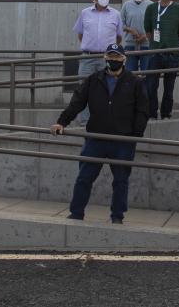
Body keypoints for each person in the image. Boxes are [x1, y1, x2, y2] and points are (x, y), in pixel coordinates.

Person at [50, 44, 149, 223]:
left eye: (117, 57)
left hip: (122, 141)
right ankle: (76, 213)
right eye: (111, 57)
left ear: (124, 60)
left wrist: (135, 135)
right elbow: (77, 102)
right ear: (105, 58)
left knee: (120, 181)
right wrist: (61, 122)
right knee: (84, 178)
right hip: (96, 138)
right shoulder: (93, 80)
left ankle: (117, 217)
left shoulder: (135, 82)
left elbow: (143, 110)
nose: (114, 60)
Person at [72, 0, 123, 124]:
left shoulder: (116, 14)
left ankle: (104, 120)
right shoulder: (84, 13)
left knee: (107, 89)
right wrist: (91, 46)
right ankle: (84, 121)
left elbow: (118, 37)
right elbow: (80, 34)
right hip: (87, 56)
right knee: (83, 88)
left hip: (106, 58)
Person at [144, 0, 179, 119]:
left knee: (169, 87)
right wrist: (156, 43)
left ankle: (166, 113)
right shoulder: (151, 8)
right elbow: (148, 30)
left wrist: (170, 41)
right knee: (151, 86)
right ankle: (151, 113)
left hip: (172, 53)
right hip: (155, 53)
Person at [120, 0, 153, 75]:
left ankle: (145, 90)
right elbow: (120, 24)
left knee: (147, 75)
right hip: (130, 45)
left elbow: (156, 26)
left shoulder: (151, 5)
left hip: (146, 45)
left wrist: (146, 36)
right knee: (129, 75)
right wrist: (129, 29)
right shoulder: (126, 5)